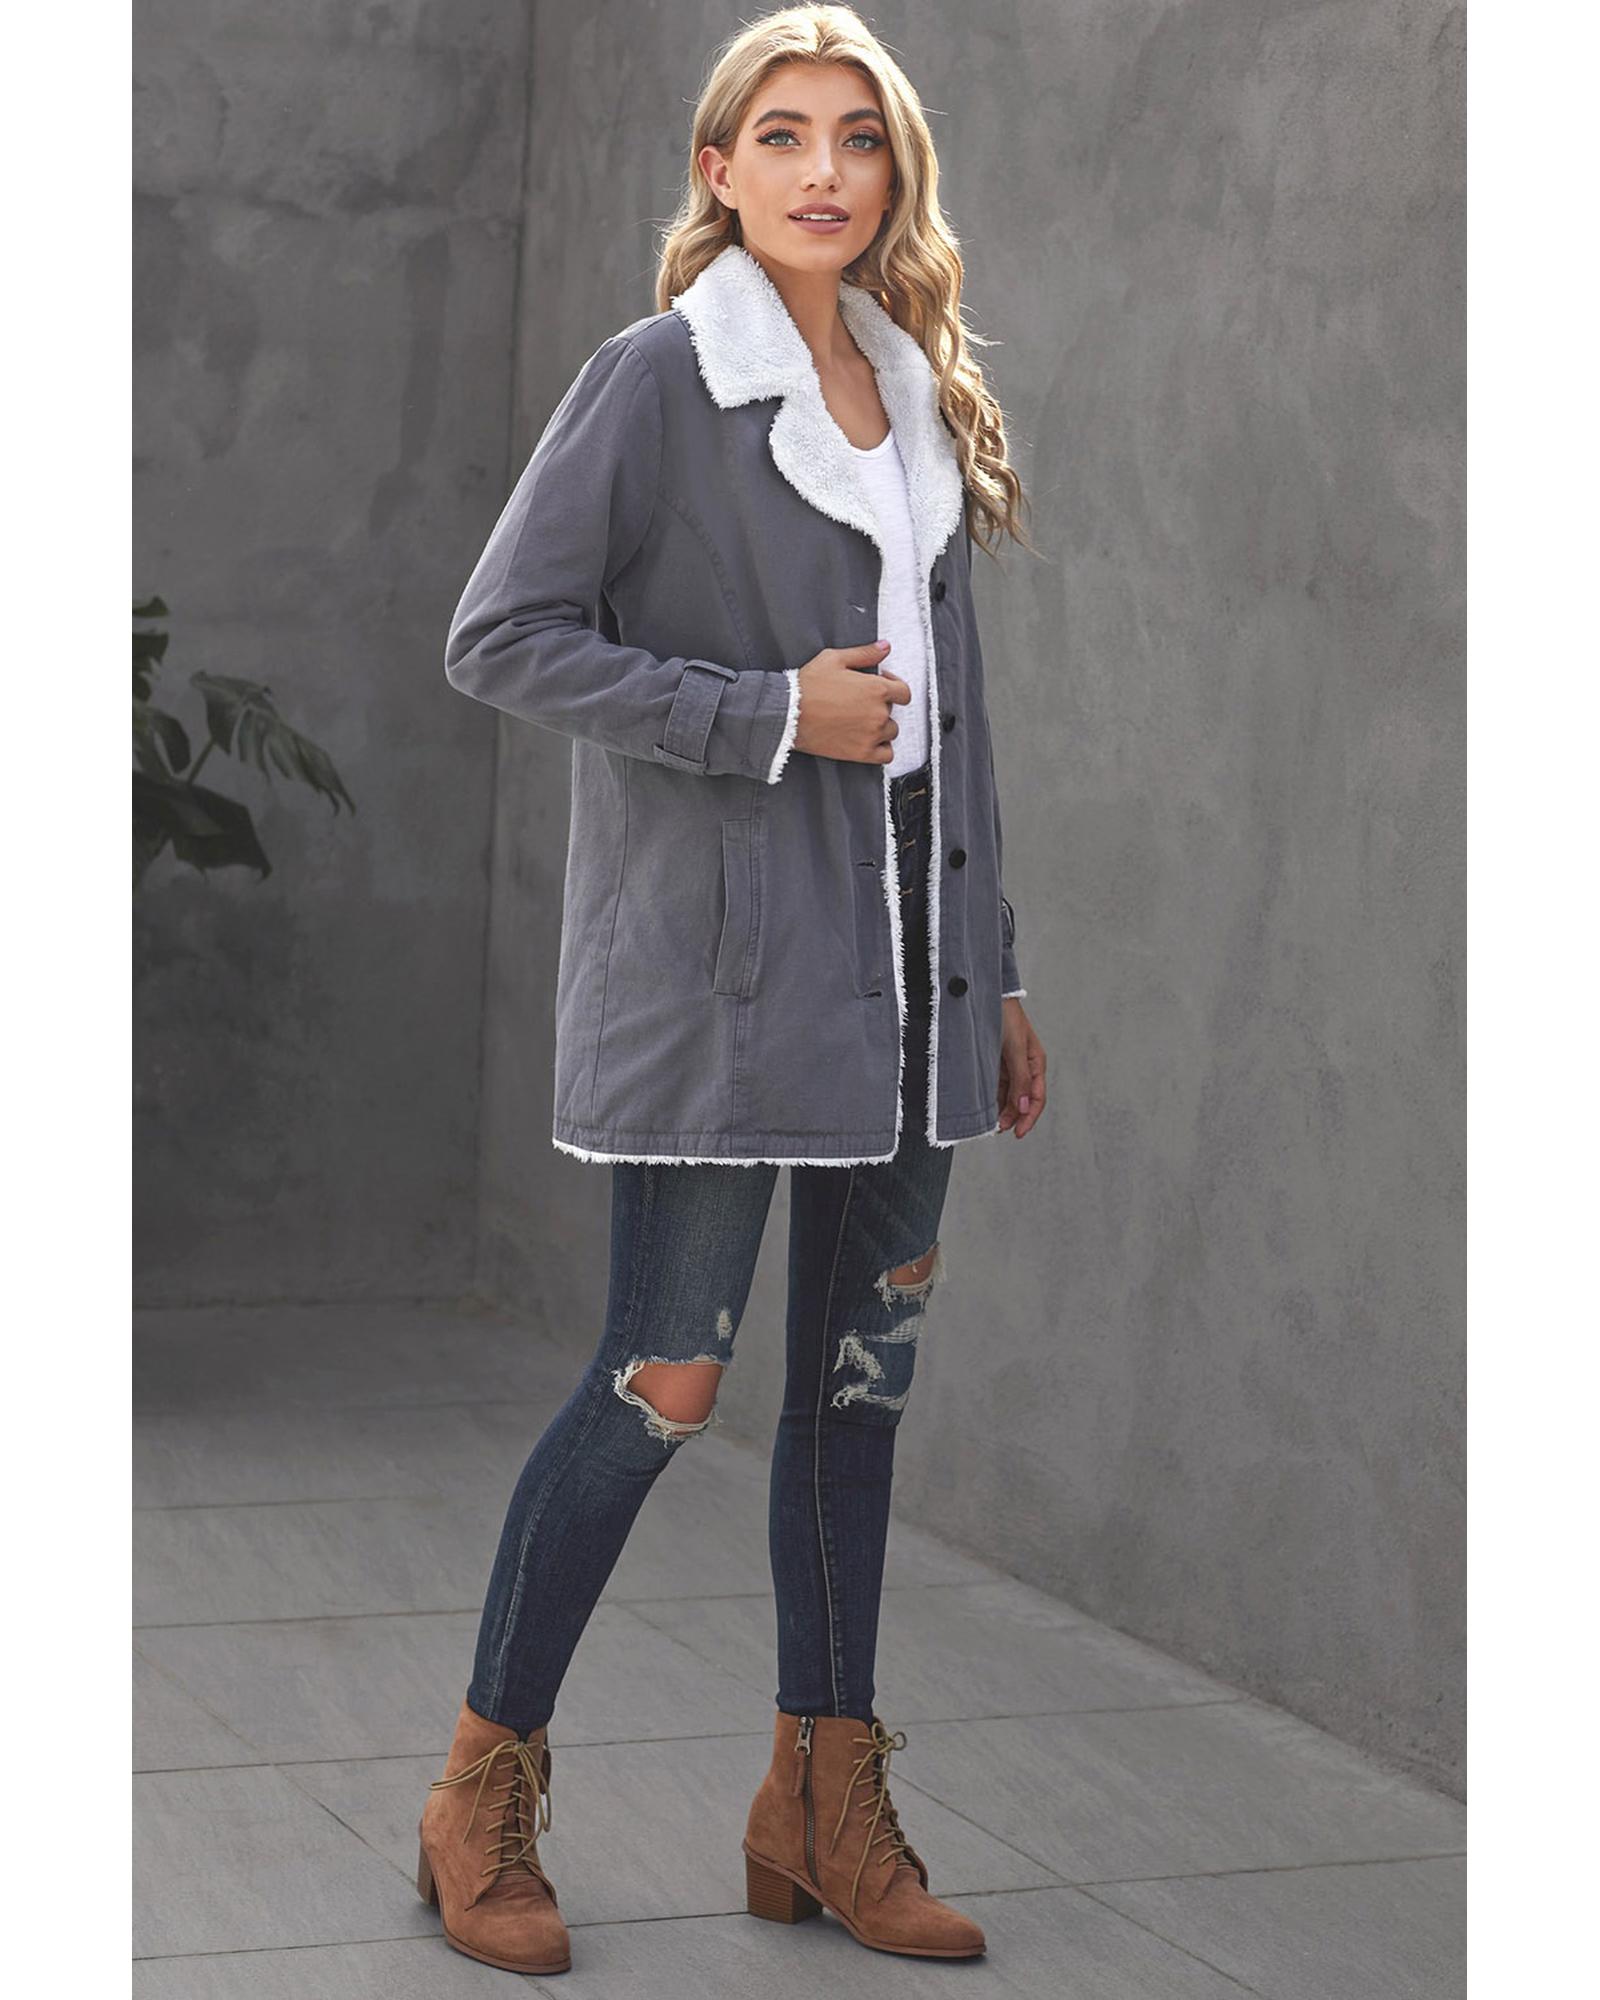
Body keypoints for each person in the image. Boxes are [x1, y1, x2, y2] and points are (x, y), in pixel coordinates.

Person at [416, 3, 1048, 1975]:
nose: (822, 171)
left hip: (911, 981)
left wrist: (996, 970)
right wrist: (767, 713)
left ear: (894, 173)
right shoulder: (656, 380)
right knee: (660, 1384)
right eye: (781, 134)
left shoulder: (915, 389)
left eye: (857, 137)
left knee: (856, 1393)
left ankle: (819, 1805)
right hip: (726, 982)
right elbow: (501, 636)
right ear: (718, 168)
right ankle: (480, 1783)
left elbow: (952, 723)